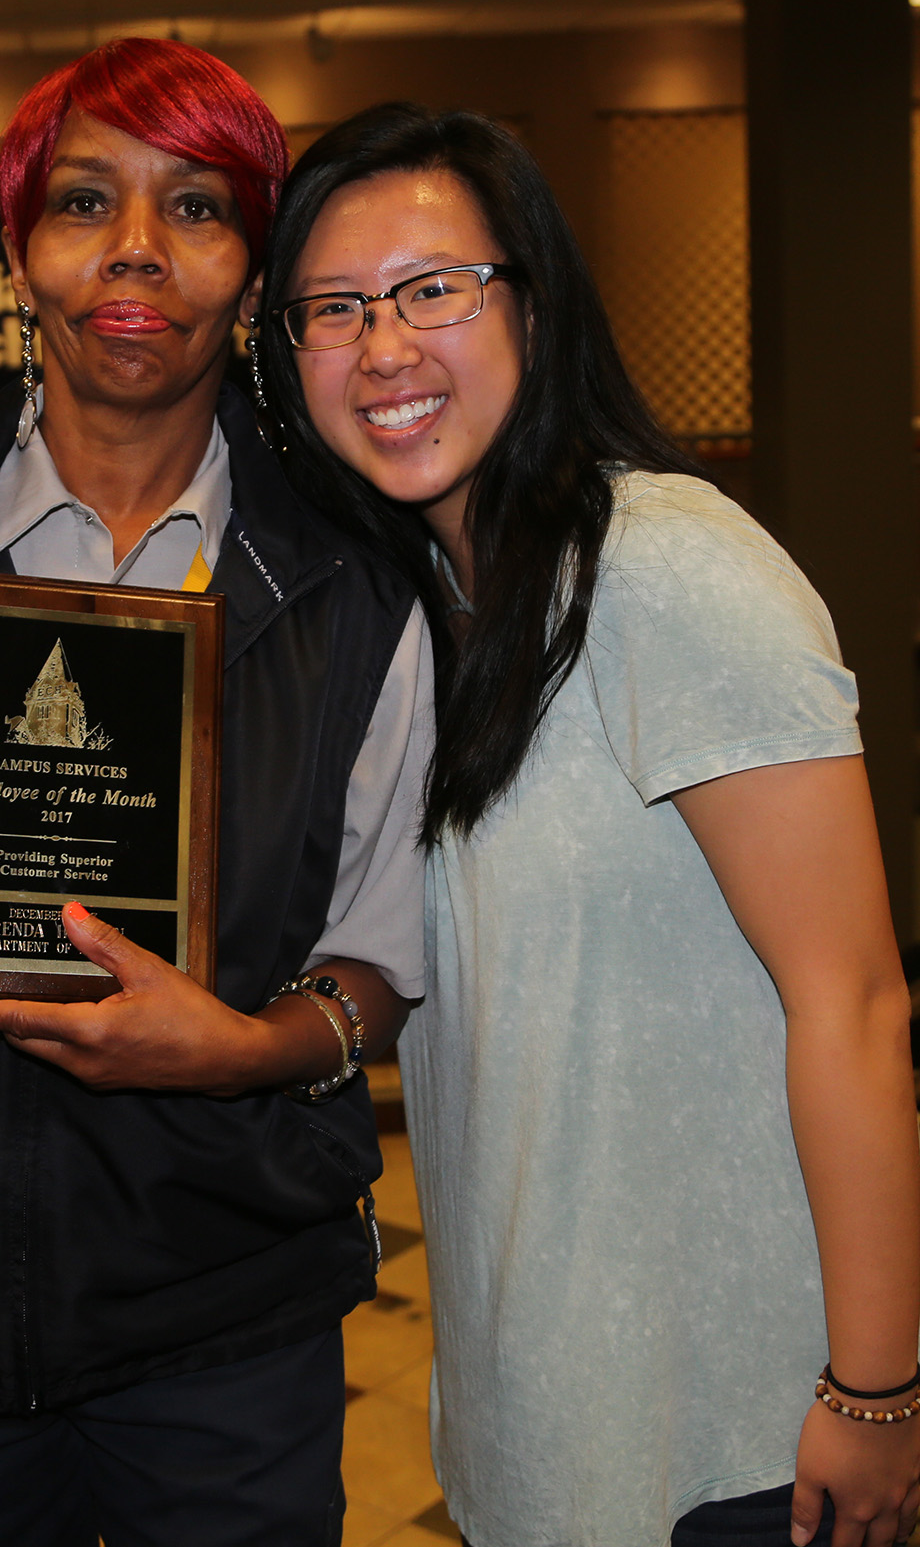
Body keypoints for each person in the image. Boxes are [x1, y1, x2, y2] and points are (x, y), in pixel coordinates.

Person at [0, 38, 431, 1546]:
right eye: (85, 201)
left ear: (254, 280)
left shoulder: (354, 597)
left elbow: (382, 960)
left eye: (197, 208)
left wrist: (252, 1045)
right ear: (20, 256)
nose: (137, 247)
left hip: (228, 1327)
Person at [256, 101, 920, 1547]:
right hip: (546, 1413)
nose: (383, 349)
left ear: (535, 306)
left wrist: (877, 1387)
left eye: (434, 289)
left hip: (738, 1428)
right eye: (334, 309)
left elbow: (855, 1000)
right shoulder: (428, 615)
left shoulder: (668, 564)